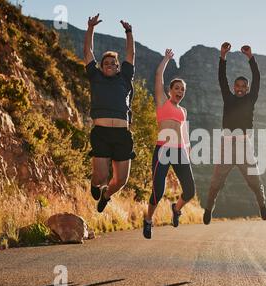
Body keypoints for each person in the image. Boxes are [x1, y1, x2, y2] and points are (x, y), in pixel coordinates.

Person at [203, 42, 266, 225]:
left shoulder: (251, 99)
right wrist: (223, 56)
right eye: (237, 86)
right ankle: (208, 208)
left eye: (243, 86)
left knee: (254, 181)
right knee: (216, 182)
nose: (240, 88)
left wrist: (251, 57)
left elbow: (257, 77)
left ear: (247, 89)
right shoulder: (228, 98)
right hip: (226, 145)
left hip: (244, 145)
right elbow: (221, 78)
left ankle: (262, 205)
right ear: (233, 87)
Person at [84, 14, 136, 213]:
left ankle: (106, 195)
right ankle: (96, 184)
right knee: (99, 176)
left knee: (121, 180)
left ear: (117, 67)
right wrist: (90, 28)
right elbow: (87, 51)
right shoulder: (95, 77)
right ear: (101, 66)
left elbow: (130, 55)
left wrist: (129, 32)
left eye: (113, 63)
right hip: (102, 133)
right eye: (106, 63)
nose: (109, 65)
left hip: (122, 135)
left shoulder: (125, 78)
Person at [143, 49, 196, 239]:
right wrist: (166, 59)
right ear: (169, 91)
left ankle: (176, 208)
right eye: (177, 88)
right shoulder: (162, 102)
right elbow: (158, 76)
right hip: (163, 151)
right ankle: (148, 220)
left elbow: (184, 133)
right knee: (158, 191)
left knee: (190, 190)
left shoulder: (183, 111)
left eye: (182, 90)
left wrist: (188, 152)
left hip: (180, 152)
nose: (180, 92)